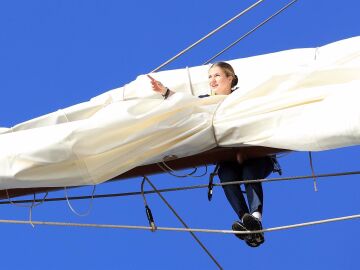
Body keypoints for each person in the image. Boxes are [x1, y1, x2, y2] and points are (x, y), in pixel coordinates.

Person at [148, 62, 277, 248]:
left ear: (230, 78)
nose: (212, 80)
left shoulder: (244, 97)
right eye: (209, 77)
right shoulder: (207, 101)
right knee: (226, 176)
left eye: (216, 75)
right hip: (229, 158)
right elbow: (187, 103)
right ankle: (245, 220)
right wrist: (165, 92)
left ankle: (255, 218)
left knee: (250, 173)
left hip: (256, 156)